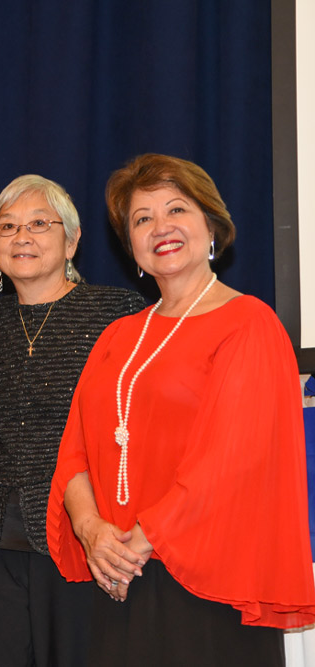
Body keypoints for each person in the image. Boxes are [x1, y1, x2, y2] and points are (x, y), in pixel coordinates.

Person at [46, 153, 315, 666]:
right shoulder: (117, 336)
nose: (160, 228)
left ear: (211, 225)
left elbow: (230, 462)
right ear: (132, 248)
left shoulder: (250, 325)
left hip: (205, 582)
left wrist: (137, 545)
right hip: (121, 577)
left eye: (176, 210)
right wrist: (90, 531)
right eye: (142, 219)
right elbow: (73, 449)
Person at [0, 175, 144, 666]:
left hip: (83, 542)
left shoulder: (117, 314)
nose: (21, 237)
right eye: (7, 227)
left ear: (72, 239)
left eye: (39, 224)